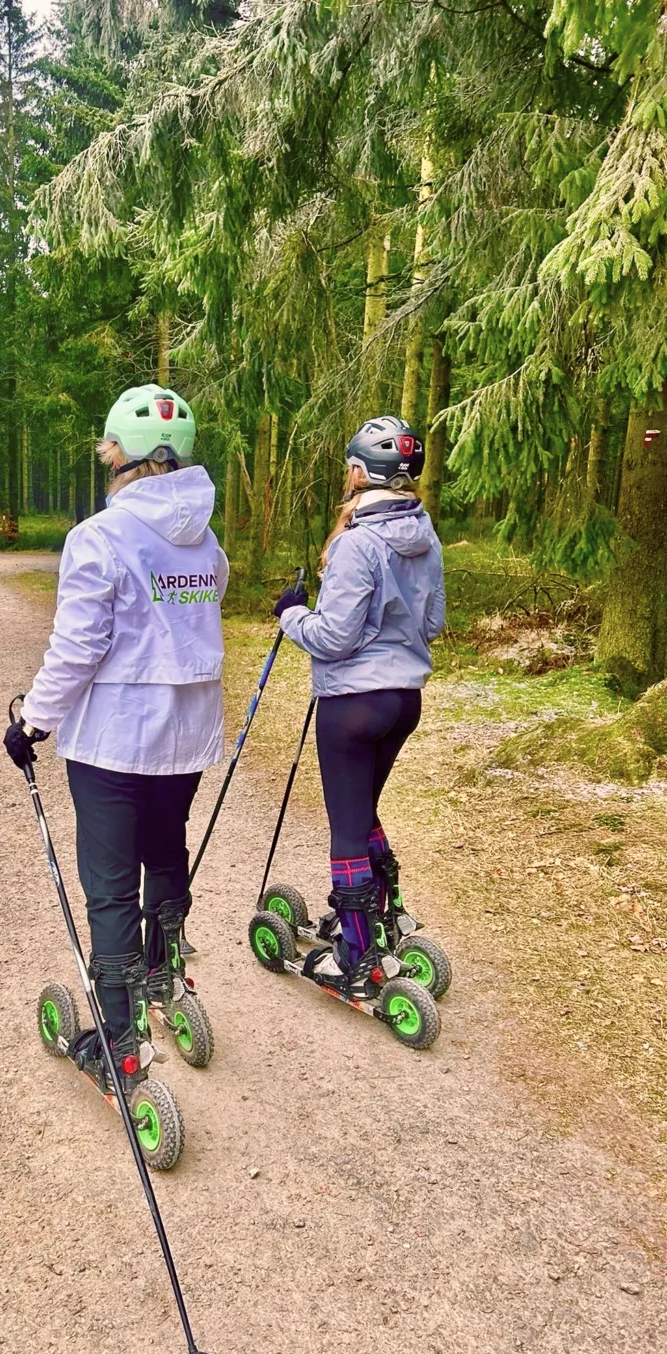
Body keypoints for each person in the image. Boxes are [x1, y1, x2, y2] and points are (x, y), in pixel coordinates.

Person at [3, 384, 227, 1089]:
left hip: (115, 741)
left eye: (105, 453)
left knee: (108, 883)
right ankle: (163, 974)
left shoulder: (98, 537)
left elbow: (79, 647)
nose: (103, 463)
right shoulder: (206, 538)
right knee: (165, 849)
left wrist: (33, 721)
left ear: (120, 455)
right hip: (186, 737)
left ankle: (121, 1037)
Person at [273, 414, 445, 993]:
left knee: (347, 825)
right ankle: (382, 915)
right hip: (404, 701)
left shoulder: (356, 543)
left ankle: (357, 954)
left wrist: (291, 614)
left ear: (361, 472)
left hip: (352, 705)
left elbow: (333, 637)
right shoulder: (425, 535)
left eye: (350, 465)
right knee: (363, 809)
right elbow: (433, 623)